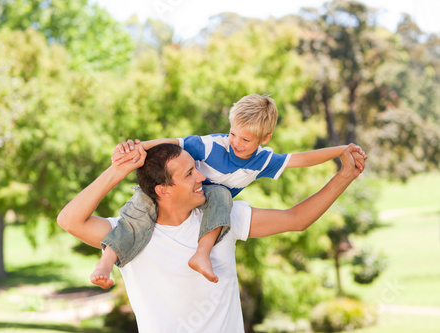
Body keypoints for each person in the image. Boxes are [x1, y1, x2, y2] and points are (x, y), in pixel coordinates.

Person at [57, 142, 365, 333]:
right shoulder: (129, 231)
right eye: (190, 174)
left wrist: (345, 175)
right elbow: (69, 220)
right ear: (163, 190)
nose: (202, 177)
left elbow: (296, 220)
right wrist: (119, 170)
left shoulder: (220, 219)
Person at [90, 94, 366, 289]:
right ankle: (106, 261)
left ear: (264, 139)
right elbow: (171, 142)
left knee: (221, 195)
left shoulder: (263, 161)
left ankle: (202, 254)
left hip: (206, 201)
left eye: (245, 139)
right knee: (137, 214)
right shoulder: (212, 145)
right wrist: (137, 150)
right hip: (172, 194)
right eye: (233, 133)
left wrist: (341, 151)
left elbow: (302, 158)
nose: (235, 142)